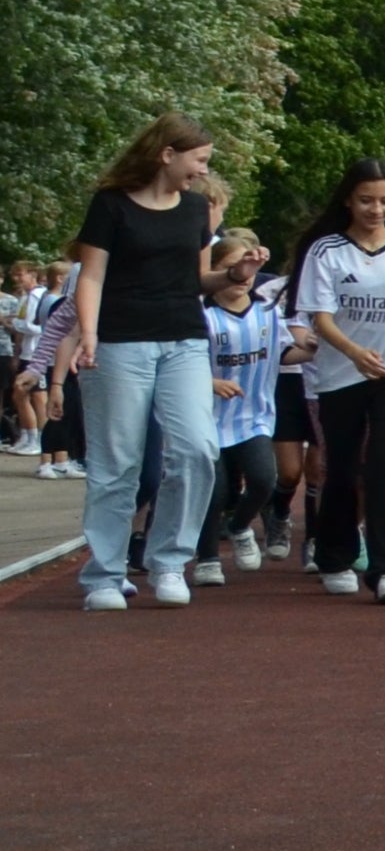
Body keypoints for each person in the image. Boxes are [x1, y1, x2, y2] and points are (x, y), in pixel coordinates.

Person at [61, 116, 226, 609]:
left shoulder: (196, 209)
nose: (202, 171)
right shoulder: (110, 205)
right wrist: (88, 335)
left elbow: (197, 280)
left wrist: (233, 274)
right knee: (119, 462)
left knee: (197, 448)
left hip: (185, 341)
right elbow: (91, 276)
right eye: (199, 160)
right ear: (167, 154)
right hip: (118, 341)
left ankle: (170, 561)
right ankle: (105, 577)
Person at [287, 161, 385, 601]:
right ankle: (334, 553)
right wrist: (355, 353)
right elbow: (320, 318)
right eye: (366, 200)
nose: (376, 209)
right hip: (341, 371)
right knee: (341, 462)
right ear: (348, 201)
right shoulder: (326, 251)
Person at [198, 233, 290, 582]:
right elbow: (182, 363)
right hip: (207, 418)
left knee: (264, 480)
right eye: (230, 268)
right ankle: (207, 558)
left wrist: (316, 350)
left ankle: (239, 527)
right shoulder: (202, 316)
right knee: (216, 489)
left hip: (253, 417)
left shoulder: (267, 313)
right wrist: (211, 383)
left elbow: (283, 353)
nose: (241, 275)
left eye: (248, 268)